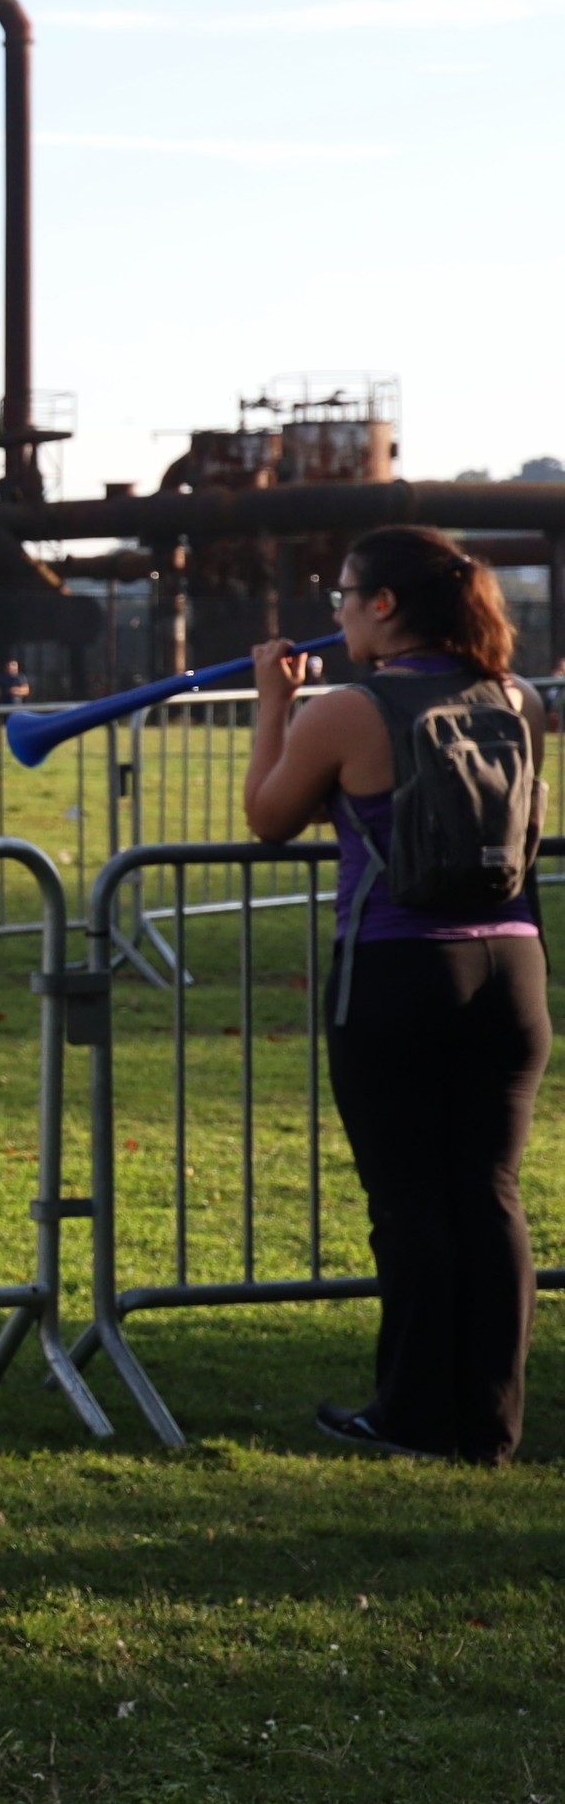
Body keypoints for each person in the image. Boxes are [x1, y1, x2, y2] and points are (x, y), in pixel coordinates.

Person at [246, 526, 549, 1466]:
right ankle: (491, 1424)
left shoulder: (349, 709)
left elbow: (268, 818)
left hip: (401, 968)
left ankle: (415, 1414)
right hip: (514, 972)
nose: (335, 611)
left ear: (383, 605)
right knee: (491, 1195)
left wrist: (273, 704)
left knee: (411, 1200)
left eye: (343, 594)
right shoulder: (517, 697)